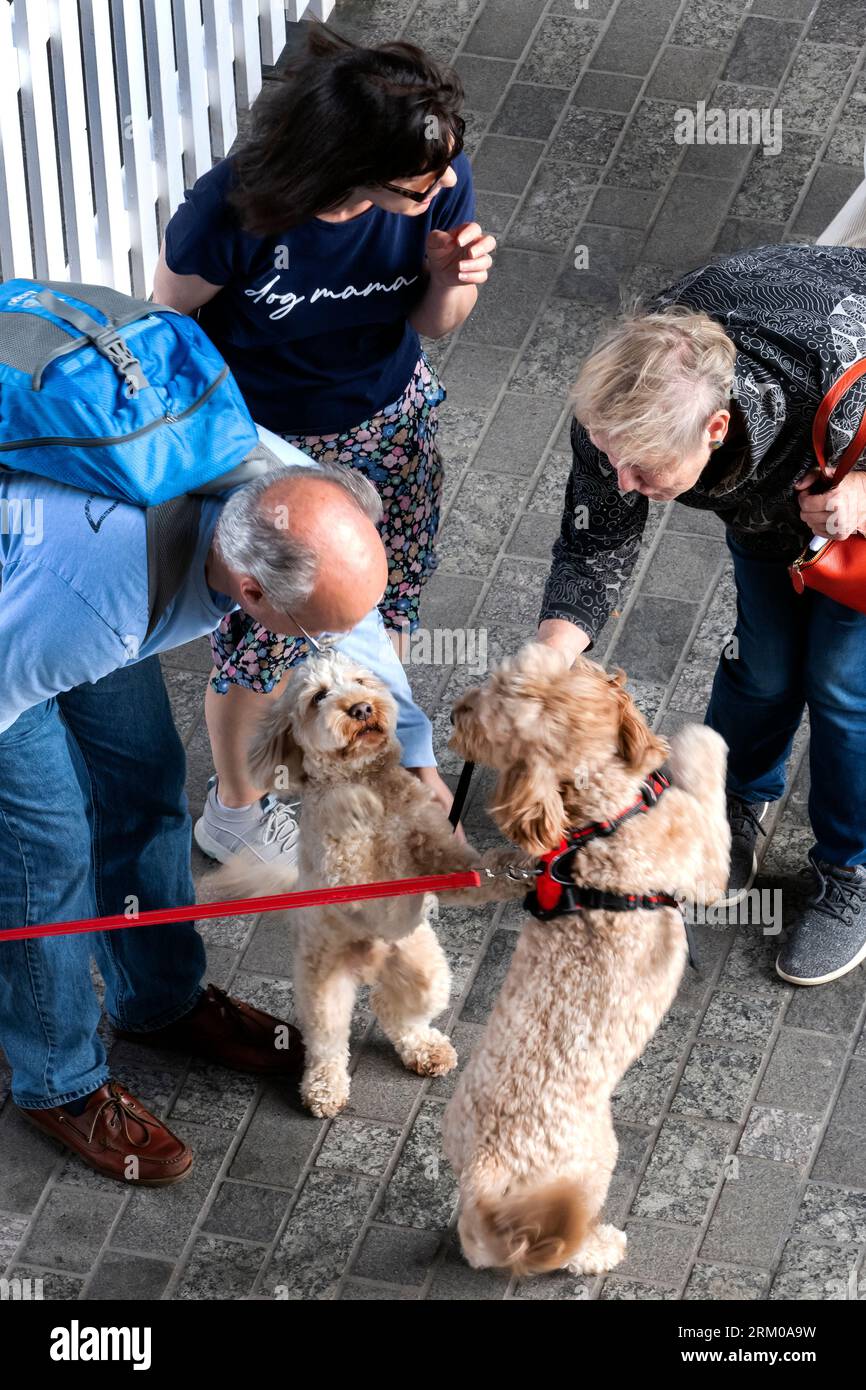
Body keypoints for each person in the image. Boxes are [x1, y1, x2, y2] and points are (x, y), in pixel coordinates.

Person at [0, 449, 433, 1182]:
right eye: (305, 634)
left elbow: (350, 627)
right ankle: (57, 1078)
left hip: (86, 563)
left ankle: (159, 1001)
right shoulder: (97, 613)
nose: (316, 650)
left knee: (143, 777)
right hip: (30, 621)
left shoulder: (282, 487)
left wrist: (418, 762)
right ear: (250, 591)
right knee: (45, 848)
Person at [152, 24, 494, 868]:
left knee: (386, 601)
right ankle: (234, 810)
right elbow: (169, 328)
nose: (445, 182)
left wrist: (452, 282)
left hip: (391, 422)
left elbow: (431, 327)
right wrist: (222, 457)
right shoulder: (234, 209)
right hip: (274, 450)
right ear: (350, 165)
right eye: (423, 178)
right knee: (262, 640)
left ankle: (367, 769)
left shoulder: (433, 188)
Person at [535, 242, 866, 987]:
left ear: (716, 430)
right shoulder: (622, 404)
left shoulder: (842, 370)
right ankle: (727, 810)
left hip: (853, 495)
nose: (622, 480)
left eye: (643, 470)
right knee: (766, 668)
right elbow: (595, 545)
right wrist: (550, 659)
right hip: (767, 511)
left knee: (845, 691)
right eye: (610, 458)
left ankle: (853, 869)